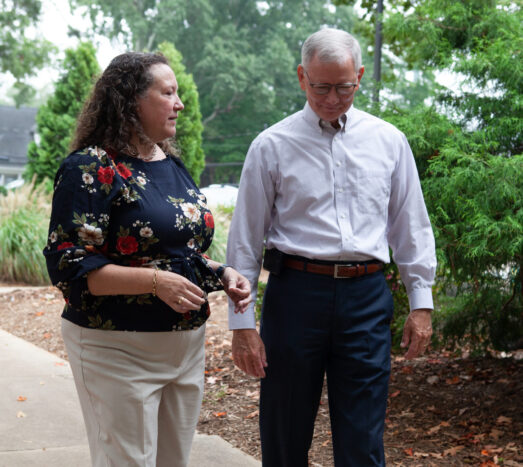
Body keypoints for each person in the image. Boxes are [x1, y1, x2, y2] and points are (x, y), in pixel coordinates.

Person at [226, 28, 436, 466]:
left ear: (359, 77)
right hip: (295, 296)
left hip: (366, 299)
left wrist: (421, 303)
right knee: (284, 432)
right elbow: (245, 240)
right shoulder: (271, 146)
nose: (333, 98)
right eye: (321, 87)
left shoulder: (388, 142)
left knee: (363, 440)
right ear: (302, 77)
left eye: (344, 87)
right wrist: (241, 323)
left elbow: (410, 225)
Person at [44, 52, 251, 467]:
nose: (180, 104)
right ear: (130, 100)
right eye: (168, 93)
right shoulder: (91, 167)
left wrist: (222, 272)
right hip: (118, 348)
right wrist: (156, 284)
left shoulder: (171, 165)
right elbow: (71, 266)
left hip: (185, 348)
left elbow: (178, 254)